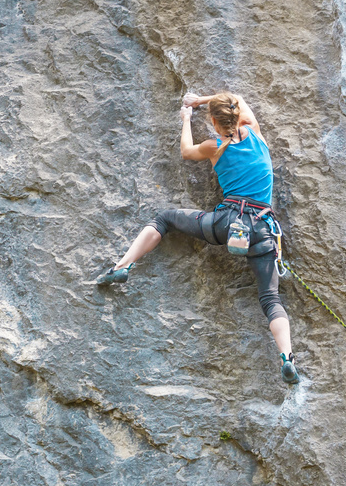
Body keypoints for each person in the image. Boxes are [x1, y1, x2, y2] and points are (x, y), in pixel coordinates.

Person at [96, 91, 299, 384]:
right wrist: (203, 99)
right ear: (238, 116)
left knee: (165, 219)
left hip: (226, 223)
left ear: (214, 122)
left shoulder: (214, 145)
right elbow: (236, 97)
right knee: (270, 298)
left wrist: (186, 116)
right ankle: (287, 358)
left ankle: (122, 266)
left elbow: (186, 151)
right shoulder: (255, 133)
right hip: (261, 228)